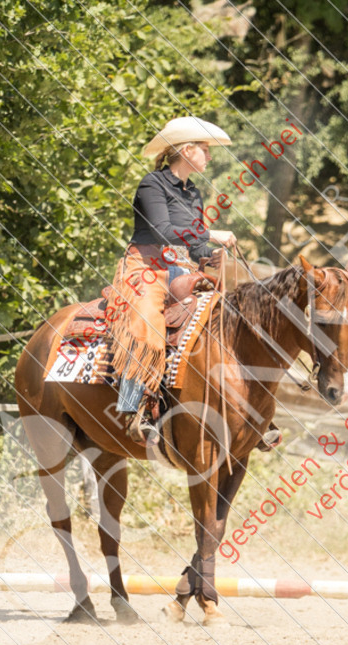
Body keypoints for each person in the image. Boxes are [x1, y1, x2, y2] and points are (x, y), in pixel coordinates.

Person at [109, 116, 279, 450]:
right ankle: (133, 408)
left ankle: (242, 410)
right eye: (204, 149)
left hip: (182, 270)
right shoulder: (151, 184)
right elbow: (161, 230)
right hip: (145, 267)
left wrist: (208, 254)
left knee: (227, 321)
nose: (209, 156)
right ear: (186, 150)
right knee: (147, 325)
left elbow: (193, 244)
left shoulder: (193, 192)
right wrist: (210, 233)